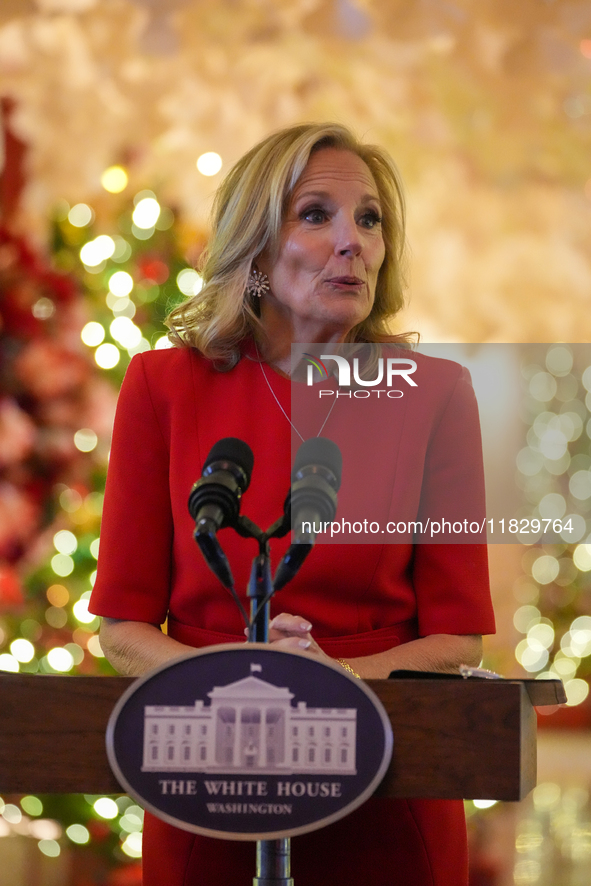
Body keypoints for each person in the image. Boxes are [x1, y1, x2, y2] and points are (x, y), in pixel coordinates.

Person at [89, 122, 495, 886]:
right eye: (316, 214)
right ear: (254, 246)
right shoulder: (161, 387)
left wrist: (330, 684)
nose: (354, 241)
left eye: (370, 219)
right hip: (205, 786)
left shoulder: (436, 394)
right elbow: (123, 631)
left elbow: (457, 644)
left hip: (389, 795)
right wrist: (236, 680)